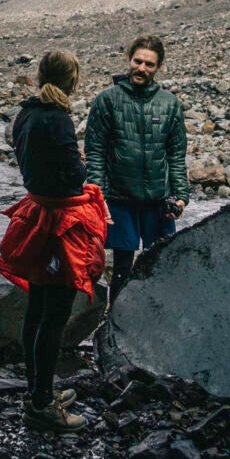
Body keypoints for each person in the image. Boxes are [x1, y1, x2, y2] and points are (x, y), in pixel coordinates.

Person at [0, 49, 108, 431]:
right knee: (55, 315)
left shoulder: (26, 113)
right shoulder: (58, 118)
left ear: (39, 76)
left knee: (37, 310)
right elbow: (73, 177)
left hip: (36, 216)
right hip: (58, 224)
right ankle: (43, 403)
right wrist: (80, 162)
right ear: (72, 80)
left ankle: (36, 389)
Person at [83, 34, 188, 281]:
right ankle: (115, 316)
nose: (141, 68)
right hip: (120, 200)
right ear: (129, 59)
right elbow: (95, 151)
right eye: (137, 61)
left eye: (148, 64)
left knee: (160, 267)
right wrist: (97, 195)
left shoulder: (169, 104)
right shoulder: (107, 100)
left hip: (158, 201)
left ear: (158, 67)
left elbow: (175, 154)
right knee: (121, 269)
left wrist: (181, 195)